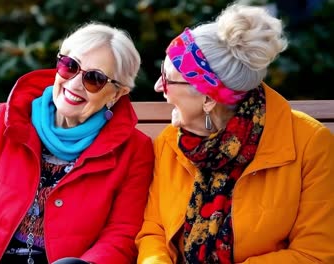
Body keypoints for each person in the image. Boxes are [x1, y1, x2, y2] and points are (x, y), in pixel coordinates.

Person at [136, 3, 334, 264]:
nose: (158, 85)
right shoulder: (171, 143)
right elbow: (155, 233)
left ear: (208, 100)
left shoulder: (311, 144)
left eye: (168, 78)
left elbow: (315, 254)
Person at [0, 22, 154, 264]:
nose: (74, 84)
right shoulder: (0, 122)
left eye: (94, 79)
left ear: (117, 94)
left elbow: (122, 234)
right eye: (70, 66)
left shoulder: (135, 150)